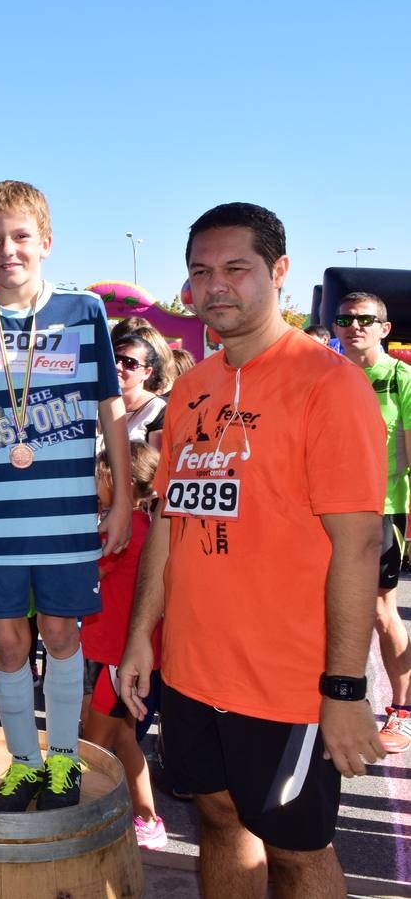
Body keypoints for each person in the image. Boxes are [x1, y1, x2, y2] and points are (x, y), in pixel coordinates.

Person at [119, 203, 386, 898]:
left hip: (289, 682)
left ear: (280, 272)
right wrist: (144, 634)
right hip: (192, 671)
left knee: (298, 851)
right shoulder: (192, 391)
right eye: (201, 272)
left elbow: (358, 548)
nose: (216, 287)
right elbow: (171, 524)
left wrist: (346, 690)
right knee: (216, 818)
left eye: (236, 268)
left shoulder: (329, 385)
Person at [0, 180, 131, 813]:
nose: (8, 250)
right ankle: (23, 764)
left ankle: (64, 760)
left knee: (62, 632)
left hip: (68, 511)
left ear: (45, 241)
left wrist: (122, 498)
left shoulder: (83, 313)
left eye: (20, 237)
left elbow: (111, 408)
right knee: (11, 641)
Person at [331, 291, 411, 753]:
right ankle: (338, 700)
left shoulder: (400, 378)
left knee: (381, 611)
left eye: (365, 319)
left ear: (384, 328)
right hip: (326, 510)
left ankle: (401, 710)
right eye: (345, 318)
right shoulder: (325, 373)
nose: (353, 325)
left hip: (382, 508)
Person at [80, 440, 164, 849]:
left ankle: (88, 820)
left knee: (93, 746)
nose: (94, 482)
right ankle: (147, 817)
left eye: (100, 475)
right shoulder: (139, 525)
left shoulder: (125, 529)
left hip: (115, 656)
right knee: (125, 739)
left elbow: (87, 570)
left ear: (121, 481)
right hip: (112, 652)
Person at [111, 333, 167, 450]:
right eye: (114, 359)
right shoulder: (95, 404)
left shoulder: (158, 410)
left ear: (147, 372)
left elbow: (154, 465)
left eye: (129, 362)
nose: (117, 367)